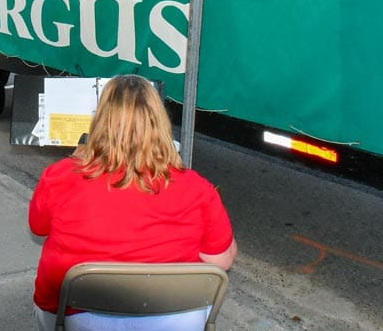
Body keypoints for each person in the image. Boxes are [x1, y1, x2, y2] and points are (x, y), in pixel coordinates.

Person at [29, 74, 237, 330]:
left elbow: (38, 227)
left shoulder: (60, 176)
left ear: (100, 120)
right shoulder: (198, 188)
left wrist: (76, 159)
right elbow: (222, 261)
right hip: (173, 319)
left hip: (76, 317)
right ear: (160, 123)